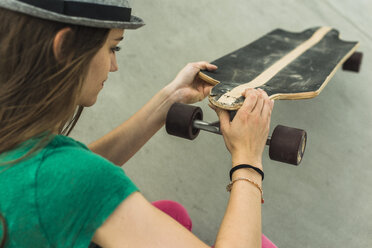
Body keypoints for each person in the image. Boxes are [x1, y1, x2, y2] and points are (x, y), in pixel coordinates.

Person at [0, 1, 276, 247]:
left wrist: (168, 100)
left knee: (171, 213)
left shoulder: (18, 142)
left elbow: (61, 175)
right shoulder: (69, 177)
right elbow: (74, 178)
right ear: (65, 47)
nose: (114, 65)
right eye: (112, 47)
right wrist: (248, 160)